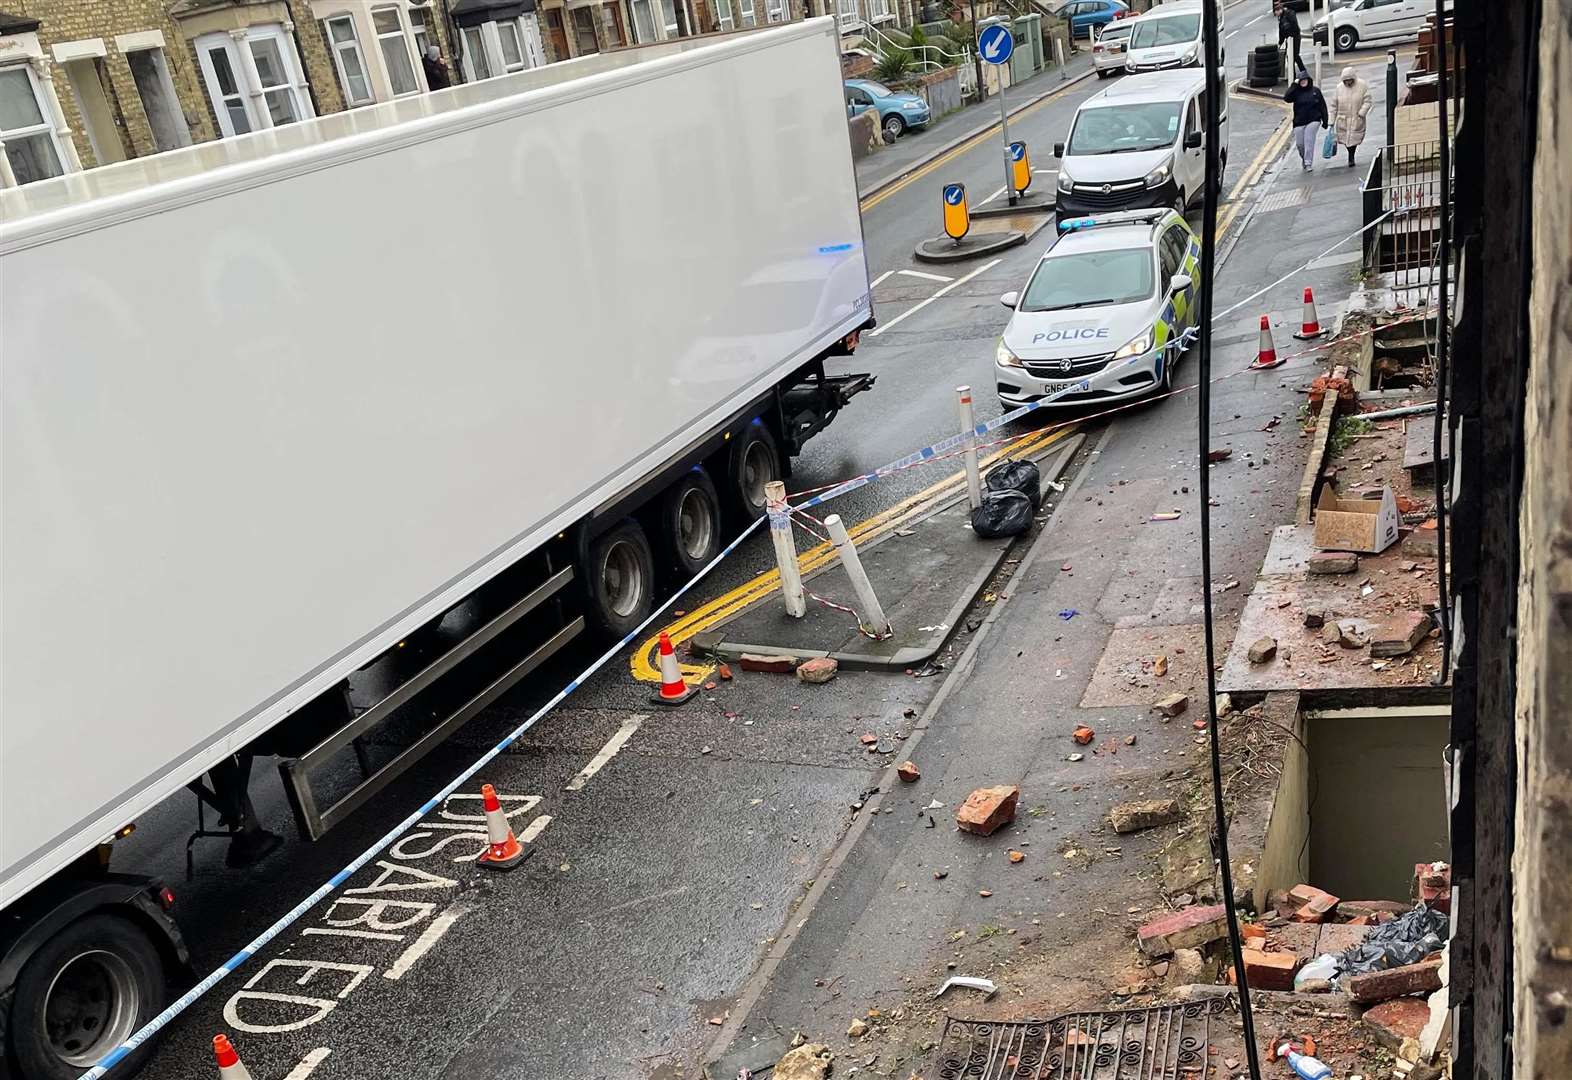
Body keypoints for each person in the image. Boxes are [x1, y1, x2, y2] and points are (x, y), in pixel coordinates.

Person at [1284, 71, 1329, 172]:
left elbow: (1322, 106)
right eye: (1301, 80)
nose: (1303, 82)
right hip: (1299, 122)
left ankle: (1308, 163)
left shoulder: (1315, 91)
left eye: (1305, 80)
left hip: (1314, 120)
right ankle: (1304, 159)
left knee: (1309, 141)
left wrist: (1325, 121)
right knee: (1300, 144)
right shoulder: (1295, 92)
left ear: (1309, 80)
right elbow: (1286, 98)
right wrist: (1293, 85)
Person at [1329, 65, 1373, 167]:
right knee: (1346, 140)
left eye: (1350, 80)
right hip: (1343, 119)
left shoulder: (1362, 85)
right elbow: (1333, 105)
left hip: (1356, 118)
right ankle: (1350, 153)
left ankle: (1351, 156)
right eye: (1346, 80)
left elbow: (1367, 101)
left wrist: (1362, 113)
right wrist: (1331, 121)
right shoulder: (1339, 88)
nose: (1348, 82)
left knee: (1353, 140)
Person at [1276, 2, 1304, 77]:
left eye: (1276, 12)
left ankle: (1301, 72)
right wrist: (1280, 42)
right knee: (1291, 56)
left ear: (1280, 10)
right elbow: (1281, 32)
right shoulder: (1281, 18)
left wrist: (1292, 35)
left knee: (1295, 56)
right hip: (1289, 39)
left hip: (1295, 37)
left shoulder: (1289, 14)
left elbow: (1294, 25)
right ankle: (1294, 74)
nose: (1276, 14)